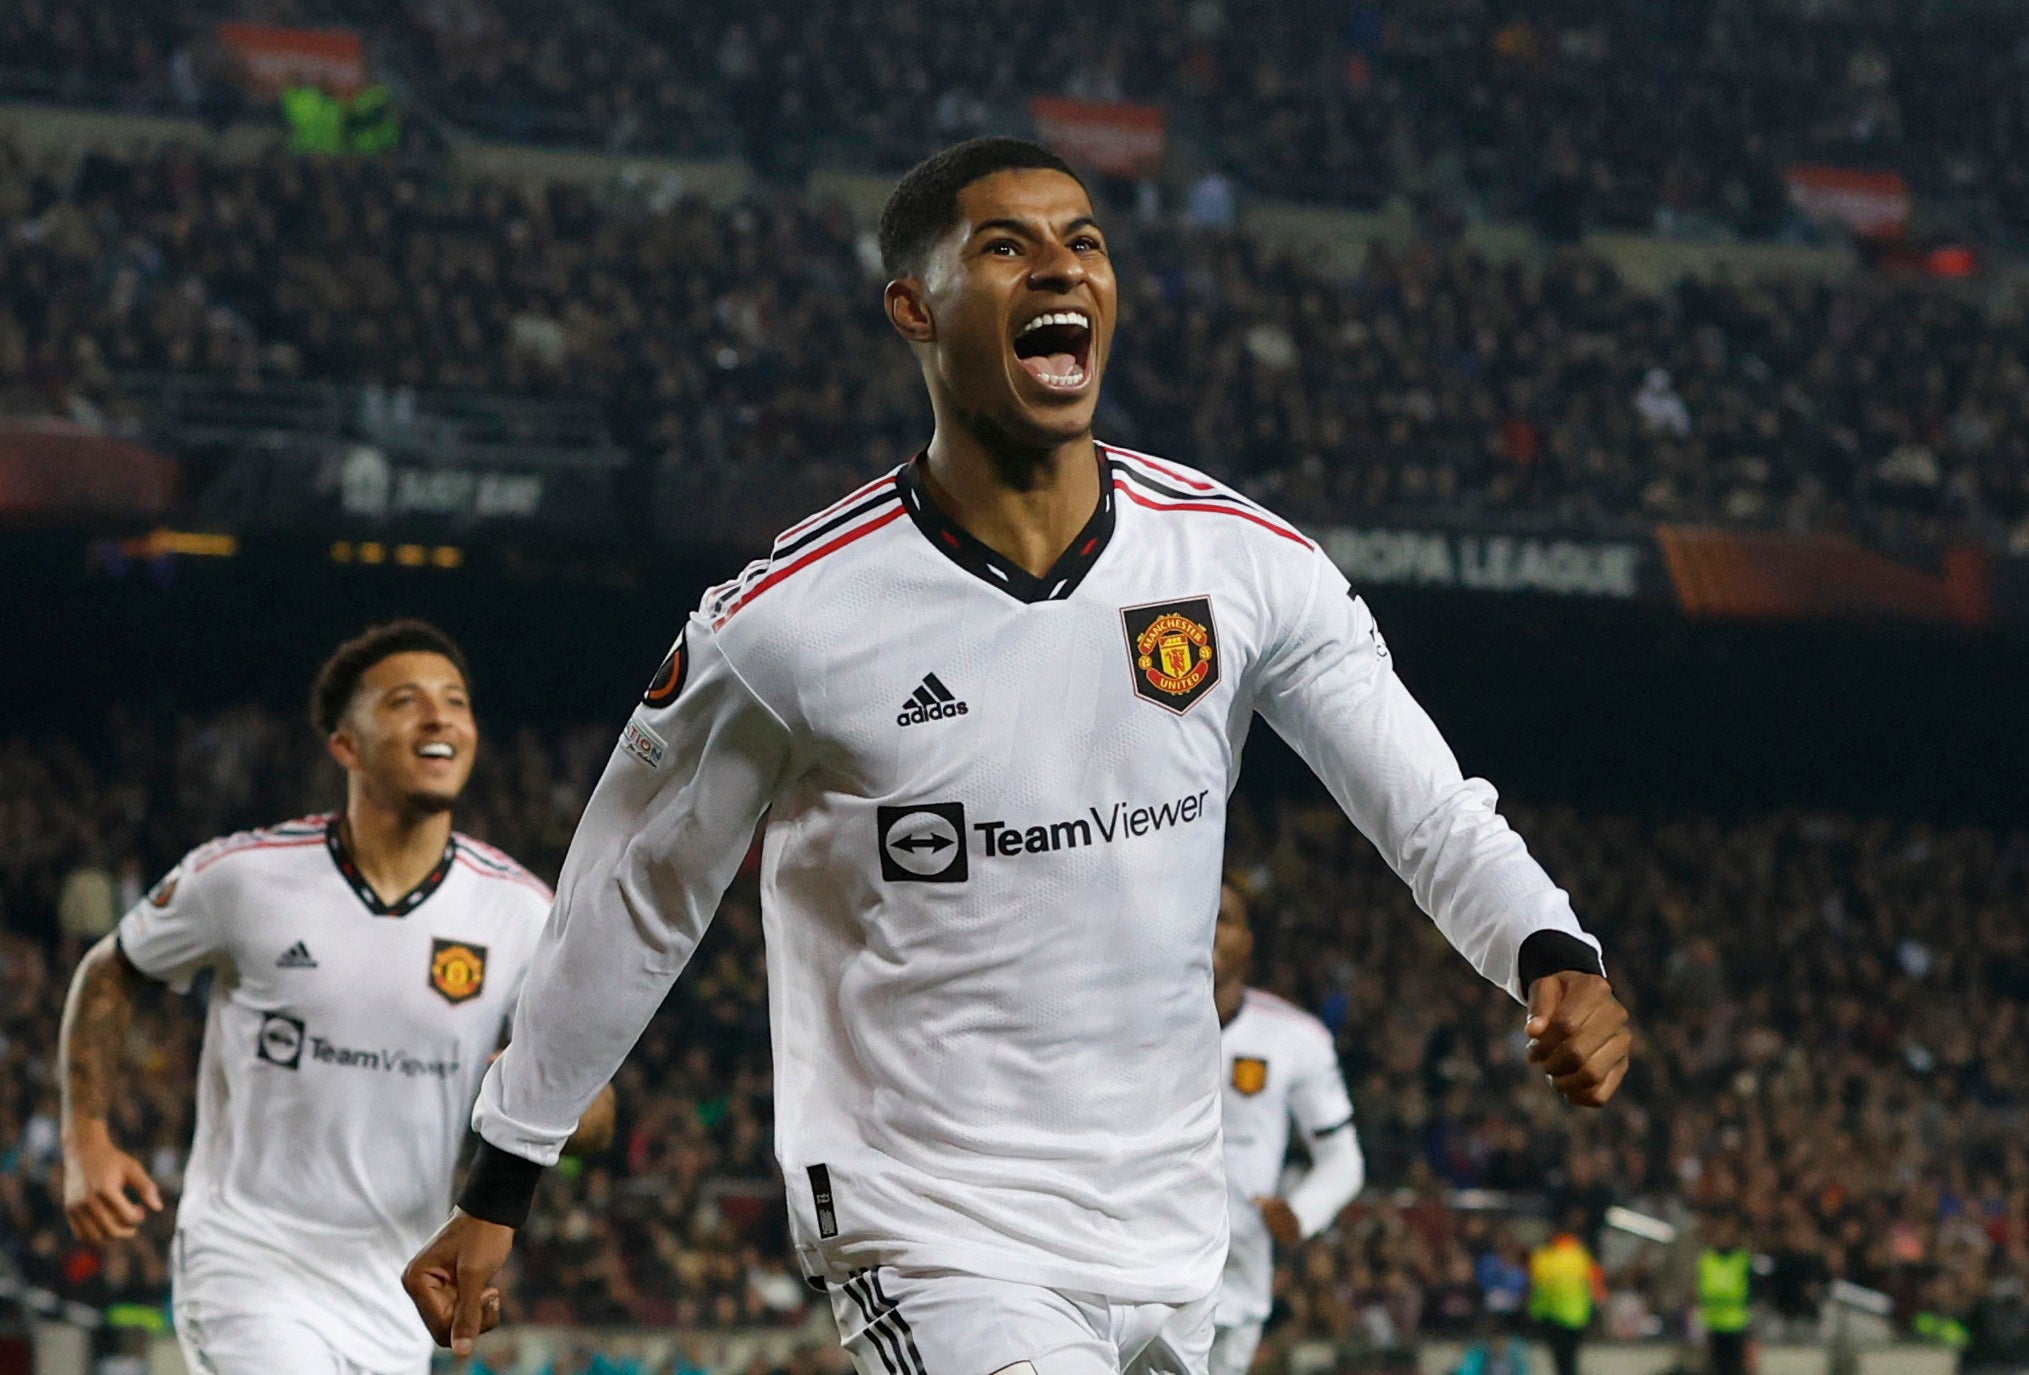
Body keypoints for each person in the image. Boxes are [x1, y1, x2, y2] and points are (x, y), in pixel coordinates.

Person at [404, 137, 1633, 1374]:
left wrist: (1547, 944)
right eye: (1007, 246)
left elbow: (1423, 803)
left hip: (1167, 1238)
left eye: (1084, 239)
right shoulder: (784, 623)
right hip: (932, 1232)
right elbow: (633, 897)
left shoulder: (1241, 567)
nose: (1061, 265)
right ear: (914, 308)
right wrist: (504, 1174)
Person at [57, 620, 615, 1375]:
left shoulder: (519, 912)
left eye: (456, 701)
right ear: (345, 745)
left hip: (397, 1288)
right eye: (405, 702)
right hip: (249, 1266)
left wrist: (538, 1096)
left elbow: (595, 1106)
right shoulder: (244, 877)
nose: (439, 717)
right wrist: (86, 1139)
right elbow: (112, 968)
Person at [1208, 883, 1365, 1375]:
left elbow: (1343, 1160)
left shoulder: (1294, 1038)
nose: (1205, 927)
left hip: (1228, 1288)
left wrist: (1301, 1211)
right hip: (1118, 1276)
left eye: (1223, 917)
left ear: (1248, 941)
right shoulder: (1119, 1026)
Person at [1528, 1219, 1603, 1375]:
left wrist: (1535, 1312)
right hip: (1578, 1316)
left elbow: (1539, 1287)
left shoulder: (1544, 1257)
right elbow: (1595, 1284)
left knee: (1559, 1359)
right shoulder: (1582, 1256)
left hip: (1552, 1316)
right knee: (1571, 1358)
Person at [1698, 1212, 1753, 1375]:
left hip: (1736, 1325)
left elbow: (1742, 1291)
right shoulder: (1707, 1260)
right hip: (1713, 1325)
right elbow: (1705, 1289)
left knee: (1736, 1369)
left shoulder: (1742, 1260)